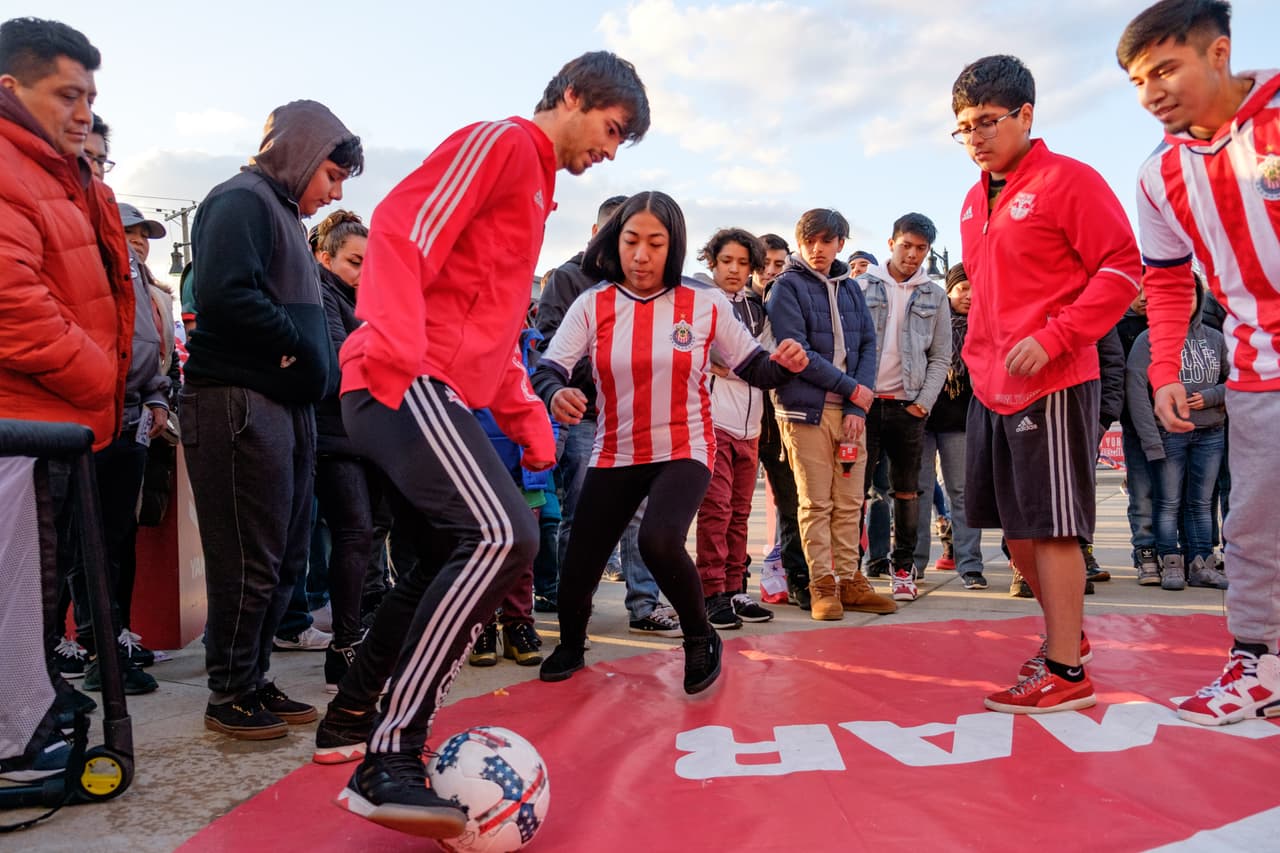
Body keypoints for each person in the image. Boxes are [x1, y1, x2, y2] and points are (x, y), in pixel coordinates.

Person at [321, 52, 650, 837]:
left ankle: (350, 714)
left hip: (436, 384)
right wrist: (397, 334)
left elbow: (497, 332)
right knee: (504, 535)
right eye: (611, 130)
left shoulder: (536, 194)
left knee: (446, 555)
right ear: (573, 96)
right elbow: (404, 225)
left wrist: (531, 421)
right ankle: (390, 752)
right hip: (403, 376)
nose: (608, 151)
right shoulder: (503, 143)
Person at [533, 191, 807, 692]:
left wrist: (783, 363)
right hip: (615, 448)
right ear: (613, 243)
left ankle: (700, 637)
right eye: (630, 241)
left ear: (673, 246)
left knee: (658, 539)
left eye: (655, 243)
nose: (641, 255)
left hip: (686, 445)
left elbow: (754, 367)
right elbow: (549, 366)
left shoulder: (702, 304)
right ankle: (571, 642)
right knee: (582, 556)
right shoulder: (592, 304)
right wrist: (556, 392)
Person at [952, 54, 1140, 714]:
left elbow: (1122, 270)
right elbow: (986, 293)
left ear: (1026, 115)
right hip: (990, 384)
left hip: (1054, 380)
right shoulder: (975, 200)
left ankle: (1064, 668)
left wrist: (1057, 334)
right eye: (963, 126)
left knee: (1055, 527)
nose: (973, 135)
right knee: (1016, 532)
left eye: (985, 121)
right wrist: (979, 356)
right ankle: (1070, 634)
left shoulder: (1069, 180)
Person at [1118, 0, 1280, 724]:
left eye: (1164, 68)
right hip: (1258, 369)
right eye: (1136, 80)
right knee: (1253, 525)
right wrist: (1162, 373)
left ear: (1219, 54)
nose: (1151, 90)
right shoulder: (1158, 174)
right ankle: (1259, 660)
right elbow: (1164, 279)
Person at [182, 100, 364, 739]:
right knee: (247, 558)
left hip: (286, 407)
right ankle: (228, 690)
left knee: (284, 560)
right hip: (237, 401)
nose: (334, 192)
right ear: (303, 154)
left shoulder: (281, 211)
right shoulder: (240, 199)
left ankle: (255, 678)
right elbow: (226, 292)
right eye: (332, 176)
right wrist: (292, 340)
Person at [0, 18, 135, 758]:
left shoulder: (58, 171)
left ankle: (31, 712)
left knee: (40, 595)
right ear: (10, 89)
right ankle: (16, 743)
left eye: (90, 96)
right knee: (18, 597)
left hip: (58, 421)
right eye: (67, 94)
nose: (84, 112)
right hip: (27, 423)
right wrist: (100, 376)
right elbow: (13, 307)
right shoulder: (8, 166)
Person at [536, 195, 678, 636]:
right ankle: (572, 601)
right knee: (581, 512)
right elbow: (550, 346)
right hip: (581, 413)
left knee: (639, 511)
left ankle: (643, 604)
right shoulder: (567, 278)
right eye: (623, 236)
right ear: (600, 234)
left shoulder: (645, 286)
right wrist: (600, 374)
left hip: (631, 417)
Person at [766, 209, 898, 620]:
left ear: (841, 242)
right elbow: (796, 351)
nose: (817, 249)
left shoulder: (851, 289)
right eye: (810, 241)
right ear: (799, 242)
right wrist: (852, 389)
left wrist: (858, 403)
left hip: (850, 411)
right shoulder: (785, 286)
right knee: (814, 503)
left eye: (826, 241)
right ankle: (821, 584)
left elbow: (867, 347)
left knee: (849, 501)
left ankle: (850, 580)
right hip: (805, 410)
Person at [856, 213, 952, 602]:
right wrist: (854, 396)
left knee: (908, 493)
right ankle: (850, 570)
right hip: (863, 406)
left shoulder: (935, 294)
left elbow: (941, 356)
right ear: (891, 242)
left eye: (921, 249)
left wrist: (922, 404)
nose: (913, 255)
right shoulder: (860, 286)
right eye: (906, 246)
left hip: (908, 408)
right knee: (854, 494)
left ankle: (902, 568)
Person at [311, 209, 380, 691]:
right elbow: (342, 368)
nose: (364, 271)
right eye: (355, 261)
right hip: (334, 435)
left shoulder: (366, 301)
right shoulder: (321, 294)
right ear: (325, 257)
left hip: (369, 434)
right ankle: (345, 646)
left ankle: (359, 633)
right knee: (354, 536)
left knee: (372, 534)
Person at [693, 227, 775, 628]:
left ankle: (735, 587)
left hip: (751, 423)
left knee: (741, 512)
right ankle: (711, 593)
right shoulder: (700, 304)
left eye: (743, 263)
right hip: (712, 421)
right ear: (713, 261)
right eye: (727, 261)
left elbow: (765, 359)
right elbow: (713, 357)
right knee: (716, 510)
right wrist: (723, 362)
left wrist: (746, 367)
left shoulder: (758, 308)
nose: (734, 270)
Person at [1125, 275, 1229, 591]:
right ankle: (1171, 560)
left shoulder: (1215, 338)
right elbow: (1137, 392)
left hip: (1210, 433)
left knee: (1200, 503)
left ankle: (1201, 564)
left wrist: (1212, 396)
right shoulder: (1148, 340)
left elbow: (1235, 379)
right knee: (1167, 502)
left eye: (1190, 296)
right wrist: (1151, 441)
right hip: (1168, 434)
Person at [914, 263, 987, 589]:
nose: (968, 296)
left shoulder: (985, 326)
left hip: (961, 422)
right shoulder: (931, 322)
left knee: (963, 493)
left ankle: (969, 564)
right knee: (919, 491)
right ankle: (913, 564)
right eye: (962, 289)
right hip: (923, 417)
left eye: (974, 289)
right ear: (949, 290)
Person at [752, 233, 812, 608]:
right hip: (734, 415)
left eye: (779, 264)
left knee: (790, 500)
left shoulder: (789, 301)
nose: (771, 272)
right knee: (728, 507)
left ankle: (797, 577)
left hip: (779, 417)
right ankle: (723, 586)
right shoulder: (732, 302)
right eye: (764, 265)